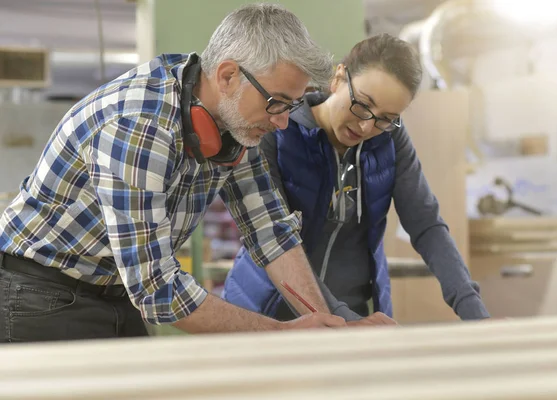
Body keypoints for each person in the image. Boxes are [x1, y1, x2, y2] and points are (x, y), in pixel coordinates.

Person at [0, 3, 347, 343]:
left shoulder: (236, 120)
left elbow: (270, 231)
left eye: (292, 105)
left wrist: (327, 327)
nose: (282, 120)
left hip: (115, 290)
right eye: (277, 102)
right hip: (38, 291)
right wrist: (283, 334)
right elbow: (157, 289)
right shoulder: (140, 126)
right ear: (228, 76)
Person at [223, 34, 490, 324]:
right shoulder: (278, 133)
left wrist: (474, 312)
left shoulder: (390, 141)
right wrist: (342, 320)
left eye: (385, 118)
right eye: (362, 104)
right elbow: (276, 240)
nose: (366, 126)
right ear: (338, 78)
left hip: (356, 317)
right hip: (268, 317)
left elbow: (426, 225)